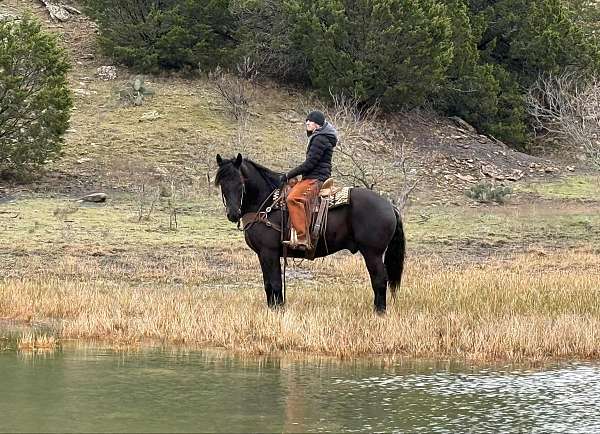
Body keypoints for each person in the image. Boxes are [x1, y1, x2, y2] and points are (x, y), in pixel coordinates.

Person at [279, 110, 338, 249]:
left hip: (316, 178)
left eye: (310, 121)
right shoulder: (320, 137)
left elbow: (310, 163)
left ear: (317, 124)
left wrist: (289, 174)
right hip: (314, 175)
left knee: (292, 198)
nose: (307, 123)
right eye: (307, 120)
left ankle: (302, 237)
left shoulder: (320, 139)